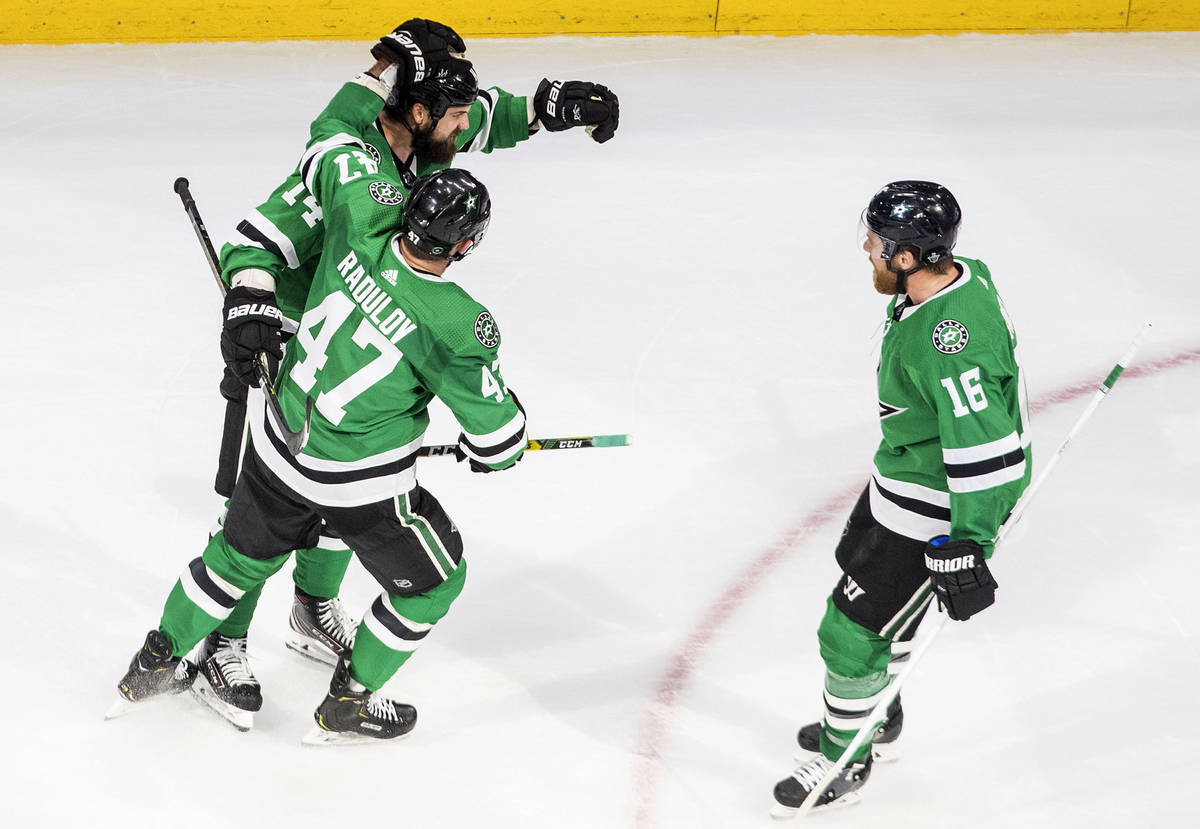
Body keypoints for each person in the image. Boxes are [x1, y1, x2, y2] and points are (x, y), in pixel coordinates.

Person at [199, 18, 619, 728]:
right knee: (259, 508)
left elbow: (482, 118)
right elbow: (262, 239)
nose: (466, 127)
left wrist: (553, 107)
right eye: (450, 111)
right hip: (296, 341)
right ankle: (222, 640)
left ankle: (310, 607)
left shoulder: (427, 130)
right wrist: (250, 306)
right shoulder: (344, 143)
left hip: (368, 346)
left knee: (342, 500)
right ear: (416, 110)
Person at [771, 181, 1031, 814]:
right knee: (867, 595)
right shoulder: (959, 280)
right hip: (899, 479)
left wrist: (968, 542)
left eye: (879, 242)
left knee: (848, 632)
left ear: (910, 257)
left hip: (931, 510)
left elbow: (987, 453)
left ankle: (845, 757)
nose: (868, 247)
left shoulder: (951, 345)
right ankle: (878, 714)